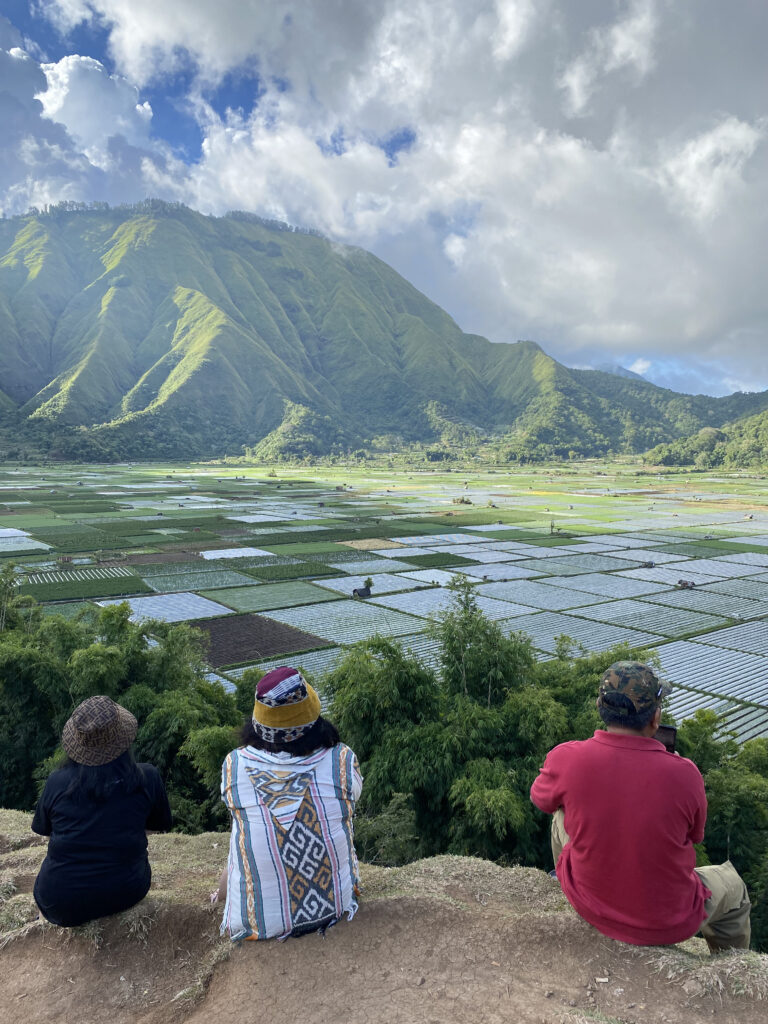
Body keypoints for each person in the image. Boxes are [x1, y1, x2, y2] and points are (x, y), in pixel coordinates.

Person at [530, 661, 751, 952]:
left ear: (600, 706)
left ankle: (566, 877)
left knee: (560, 811)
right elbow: (695, 836)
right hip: (666, 921)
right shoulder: (685, 774)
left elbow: (541, 798)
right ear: (656, 718)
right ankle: (729, 965)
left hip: (589, 904)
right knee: (734, 887)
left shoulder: (567, 758)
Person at [219, 666, 362, 941]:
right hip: (336, 906)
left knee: (241, 835)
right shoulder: (341, 760)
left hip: (257, 924)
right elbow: (350, 800)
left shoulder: (233, 765)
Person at [32, 695, 172, 928]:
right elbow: (156, 827)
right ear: (124, 739)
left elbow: (46, 832)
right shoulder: (147, 777)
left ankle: (40, 921)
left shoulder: (57, 782)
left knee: (48, 884)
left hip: (60, 902)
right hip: (127, 890)